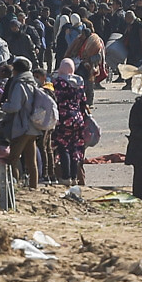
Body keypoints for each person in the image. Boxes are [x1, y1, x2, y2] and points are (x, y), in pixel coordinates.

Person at [50, 58, 90, 187]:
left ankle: (66, 177)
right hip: (78, 118)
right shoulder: (79, 83)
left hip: (63, 118)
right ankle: (74, 177)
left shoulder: (58, 83)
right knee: (75, 148)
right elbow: (84, 102)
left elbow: (54, 99)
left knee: (63, 147)